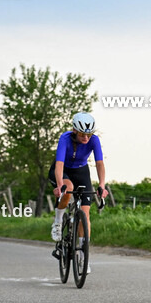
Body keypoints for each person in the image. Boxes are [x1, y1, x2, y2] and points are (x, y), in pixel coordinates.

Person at [50, 112, 109, 271]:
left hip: (81, 172)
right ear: (75, 131)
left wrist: (102, 185)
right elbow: (59, 164)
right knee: (68, 189)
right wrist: (60, 185)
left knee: (85, 214)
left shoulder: (94, 140)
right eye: (83, 134)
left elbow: (99, 163)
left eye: (89, 134)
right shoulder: (65, 138)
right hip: (64, 171)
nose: (86, 138)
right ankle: (58, 222)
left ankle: (84, 256)